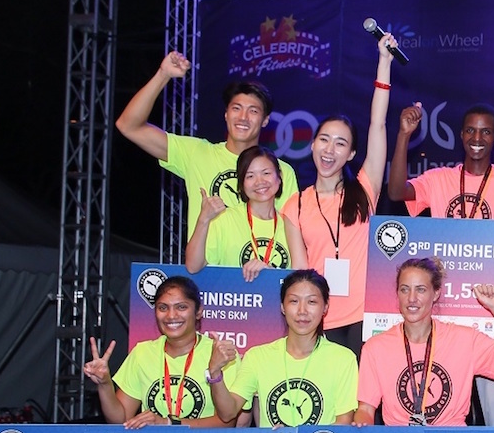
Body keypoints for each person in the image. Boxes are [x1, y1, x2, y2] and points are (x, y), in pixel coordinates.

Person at [390, 101, 494, 429]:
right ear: (460, 135)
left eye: (485, 131)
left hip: (490, 321)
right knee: (438, 408)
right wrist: (403, 136)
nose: (477, 137)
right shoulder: (439, 179)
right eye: (470, 130)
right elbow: (397, 191)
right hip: (445, 314)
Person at [283, 34, 398, 357]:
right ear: (312, 144)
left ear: (351, 154)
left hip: (367, 316)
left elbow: (378, 123)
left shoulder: (364, 189)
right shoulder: (296, 205)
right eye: (324, 140)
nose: (330, 149)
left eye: (340, 143)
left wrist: (384, 63)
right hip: (323, 319)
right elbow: (300, 274)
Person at [115, 52, 298, 233]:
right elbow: (128, 126)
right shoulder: (197, 153)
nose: (243, 117)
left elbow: (292, 233)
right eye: (236, 108)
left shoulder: (281, 172)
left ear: (265, 120)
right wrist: (163, 75)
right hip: (205, 263)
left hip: (261, 262)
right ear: (226, 114)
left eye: (253, 111)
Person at [355, 258, 494, 427]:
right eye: (404, 289)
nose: (411, 298)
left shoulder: (464, 340)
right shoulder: (375, 347)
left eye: (421, 289)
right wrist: (361, 428)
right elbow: (366, 409)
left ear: (436, 293)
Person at [84, 275, 238, 428]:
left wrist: (169, 423)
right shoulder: (142, 353)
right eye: (163, 308)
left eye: (181, 307)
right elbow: (120, 419)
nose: (171, 315)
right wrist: (105, 384)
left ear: (198, 312)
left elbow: (227, 422)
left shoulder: (220, 354)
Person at [211, 270, 358, 428]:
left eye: (312, 302)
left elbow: (343, 423)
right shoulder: (257, 356)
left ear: (325, 307)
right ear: (282, 307)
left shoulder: (343, 359)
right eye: (294, 301)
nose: (302, 311)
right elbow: (228, 413)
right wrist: (214, 372)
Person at [185, 146, 307, 280]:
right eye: (250, 176)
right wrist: (204, 219)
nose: (259, 182)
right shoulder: (225, 219)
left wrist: (272, 275)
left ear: (279, 178)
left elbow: (300, 281)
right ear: (241, 184)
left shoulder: (291, 225)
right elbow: (193, 266)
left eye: (266, 173)